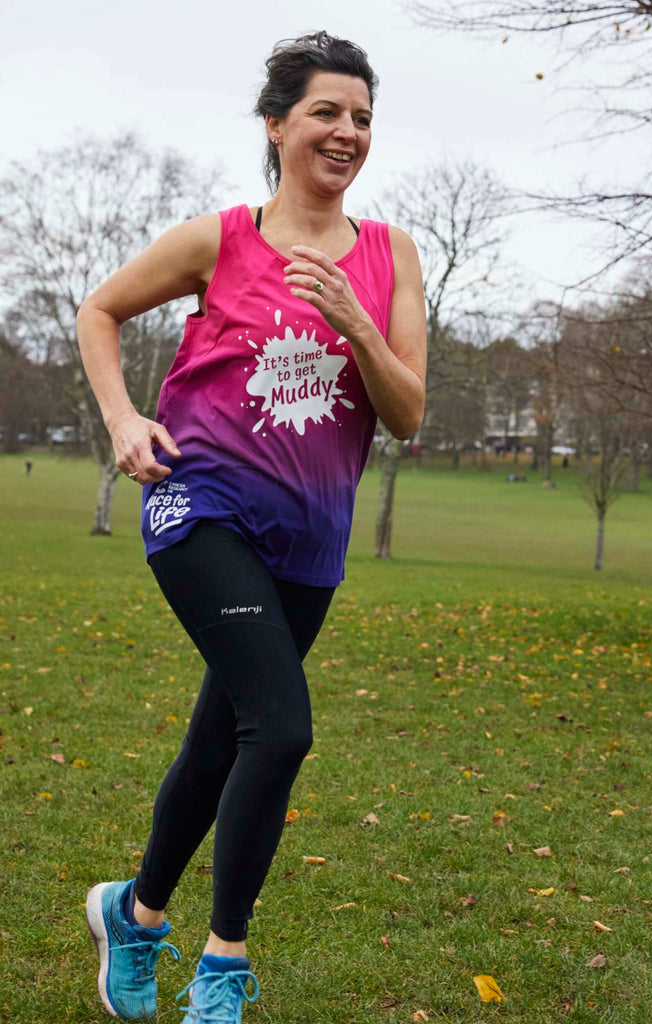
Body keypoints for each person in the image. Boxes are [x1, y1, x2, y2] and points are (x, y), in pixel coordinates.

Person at [76, 32, 426, 1023]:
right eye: (326, 111)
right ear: (275, 126)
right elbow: (99, 309)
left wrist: (357, 322)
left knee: (222, 741)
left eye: (361, 116)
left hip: (311, 538)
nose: (346, 131)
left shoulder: (390, 254)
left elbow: (405, 415)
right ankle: (223, 967)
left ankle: (134, 914)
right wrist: (121, 419)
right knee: (281, 726)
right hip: (202, 505)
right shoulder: (220, 239)